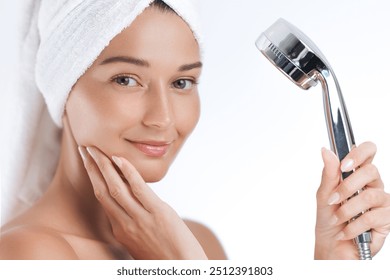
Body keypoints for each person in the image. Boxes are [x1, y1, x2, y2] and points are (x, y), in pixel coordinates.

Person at [0, 0, 389, 260]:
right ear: (63, 88)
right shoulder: (28, 252)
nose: (164, 119)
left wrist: (333, 262)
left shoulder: (197, 240)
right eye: (126, 79)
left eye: (182, 83)